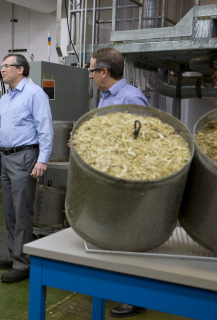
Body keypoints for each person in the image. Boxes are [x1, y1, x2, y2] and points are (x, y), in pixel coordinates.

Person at [0, 54, 53, 283]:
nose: (2, 70)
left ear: (20, 69)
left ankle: (23, 264)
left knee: (22, 213)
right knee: (10, 211)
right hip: (7, 157)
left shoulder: (35, 94)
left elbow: (45, 129)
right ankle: (14, 255)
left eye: (6, 66)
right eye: (2, 66)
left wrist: (42, 160)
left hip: (25, 157)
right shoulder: (6, 98)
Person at [90, 47, 149, 318]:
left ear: (104, 71)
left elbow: (143, 141)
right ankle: (114, 285)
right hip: (106, 176)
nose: (90, 76)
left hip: (127, 178)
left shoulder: (131, 97)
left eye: (92, 70)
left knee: (128, 237)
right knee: (111, 235)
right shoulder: (104, 98)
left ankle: (133, 296)